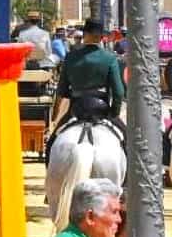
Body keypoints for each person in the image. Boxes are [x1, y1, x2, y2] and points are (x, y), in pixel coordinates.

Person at [49, 17, 126, 158]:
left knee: (52, 142)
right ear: (101, 37)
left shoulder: (71, 57)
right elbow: (119, 92)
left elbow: (62, 90)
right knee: (127, 141)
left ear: (85, 35)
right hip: (102, 108)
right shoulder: (109, 58)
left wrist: (60, 109)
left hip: (77, 108)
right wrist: (113, 113)